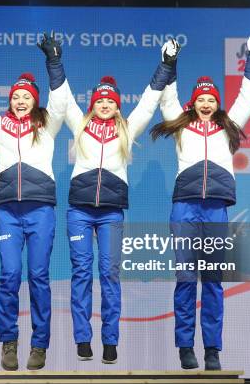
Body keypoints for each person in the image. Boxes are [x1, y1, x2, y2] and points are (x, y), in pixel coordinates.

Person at [46, 37, 179, 364]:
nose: (105, 105)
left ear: (117, 106)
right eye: (100, 101)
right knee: (81, 272)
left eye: (110, 102)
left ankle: (110, 340)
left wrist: (166, 65)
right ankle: (82, 338)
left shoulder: (127, 130)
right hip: (79, 211)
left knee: (109, 273)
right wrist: (54, 61)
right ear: (93, 104)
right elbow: (62, 95)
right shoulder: (80, 125)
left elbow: (148, 103)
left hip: (110, 214)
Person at [150, 36, 250, 370]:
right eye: (200, 98)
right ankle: (186, 346)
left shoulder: (229, 127)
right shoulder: (181, 127)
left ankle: (212, 349)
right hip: (185, 206)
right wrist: (169, 61)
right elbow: (166, 97)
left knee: (212, 280)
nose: (205, 103)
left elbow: (249, 95)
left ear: (216, 103)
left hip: (215, 208)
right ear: (193, 102)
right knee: (186, 277)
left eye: (210, 99)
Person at [0, 37, 67, 371]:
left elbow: (61, 100)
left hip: (40, 209)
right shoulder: (2, 125)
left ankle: (39, 345)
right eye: (16, 97)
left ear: (34, 101)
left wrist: (54, 60)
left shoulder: (47, 125)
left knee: (38, 276)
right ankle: (9, 342)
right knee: (9, 276)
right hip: (7, 210)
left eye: (26, 97)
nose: (20, 101)